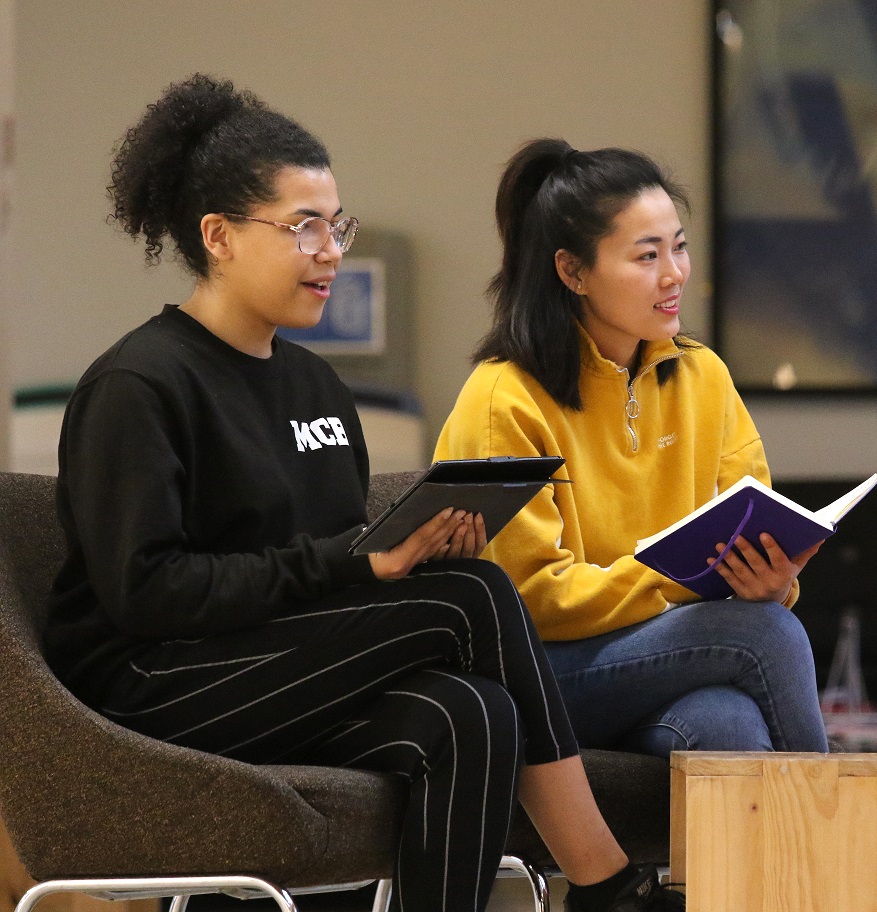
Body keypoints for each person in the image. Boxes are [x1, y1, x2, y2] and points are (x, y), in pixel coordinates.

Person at [42, 75, 683, 912]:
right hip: (149, 688)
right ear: (219, 237)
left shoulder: (316, 388)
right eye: (303, 227)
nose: (331, 250)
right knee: (475, 593)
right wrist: (354, 563)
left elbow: (332, 568)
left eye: (335, 226)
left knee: (472, 712)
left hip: (272, 668)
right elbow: (147, 591)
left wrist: (405, 553)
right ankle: (603, 882)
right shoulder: (140, 383)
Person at [432, 139, 828, 758]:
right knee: (767, 635)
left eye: (679, 246)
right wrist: (680, 584)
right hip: (540, 672)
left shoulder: (703, 377)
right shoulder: (503, 398)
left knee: (724, 721)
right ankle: (832, 850)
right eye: (647, 256)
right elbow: (531, 599)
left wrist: (771, 579)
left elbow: (751, 518)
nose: (674, 274)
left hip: (664, 655)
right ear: (573, 272)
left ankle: (758, 858)